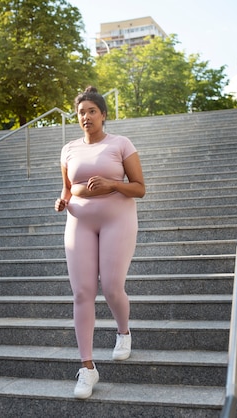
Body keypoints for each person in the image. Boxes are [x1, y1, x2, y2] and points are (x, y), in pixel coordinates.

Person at [54, 86, 146, 399]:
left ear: (103, 115)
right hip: (79, 220)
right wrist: (62, 200)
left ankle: (123, 332)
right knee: (82, 292)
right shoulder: (68, 149)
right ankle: (87, 368)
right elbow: (67, 187)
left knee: (111, 286)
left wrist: (111, 183)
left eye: (92, 111)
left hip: (116, 217)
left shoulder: (121, 144)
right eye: (81, 112)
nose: (86, 116)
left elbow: (140, 188)